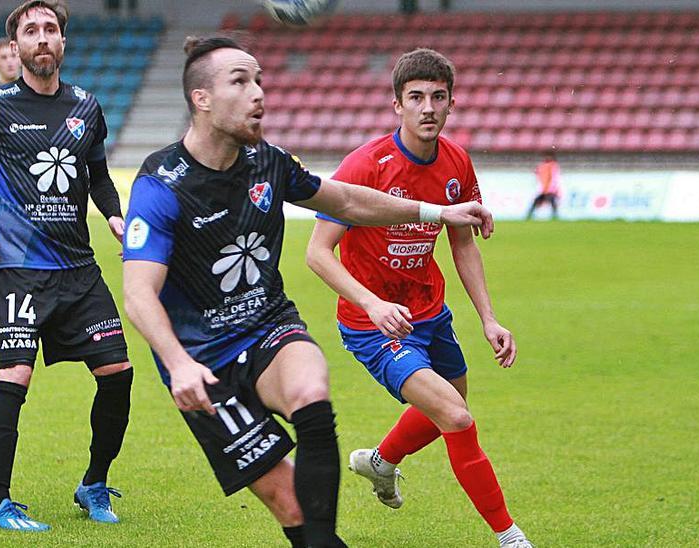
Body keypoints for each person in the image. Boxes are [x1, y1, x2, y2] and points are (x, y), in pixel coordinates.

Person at [120, 36, 494, 548]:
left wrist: (437, 211)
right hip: (200, 358)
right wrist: (177, 363)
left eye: (259, 81)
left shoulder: (268, 161)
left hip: (268, 325)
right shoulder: (161, 184)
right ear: (200, 99)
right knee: (288, 503)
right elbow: (139, 294)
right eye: (240, 81)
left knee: (311, 392)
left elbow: (346, 200)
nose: (258, 94)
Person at [305, 48, 532, 548]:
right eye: (416, 97)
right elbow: (318, 254)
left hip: (429, 310)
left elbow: (462, 241)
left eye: (438, 97)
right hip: (374, 323)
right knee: (455, 416)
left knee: (450, 403)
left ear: (451, 104)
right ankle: (510, 537)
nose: (428, 107)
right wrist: (372, 304)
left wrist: (489, 319)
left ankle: (381, 462)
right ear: (397, 106)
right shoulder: (366, 165)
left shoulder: (456, 161)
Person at [0, 0, 132, 532]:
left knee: (118, 373)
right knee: (15, 376)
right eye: (31, 30)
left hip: (78, 268)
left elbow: (96, 175)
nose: (42, 38)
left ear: (62, 43)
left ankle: (93, 483)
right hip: (17, 268)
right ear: (18, 46)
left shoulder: (87, 107)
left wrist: (114, 216)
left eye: (51, 29)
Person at [526, 151, 560, 221]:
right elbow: (537, 172)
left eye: (549, 156)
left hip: (551, 189)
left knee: (551, 202)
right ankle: (529, 215)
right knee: (537, 201)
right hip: (544, 189)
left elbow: (553, 177)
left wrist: (553, 188)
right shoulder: (543, 165)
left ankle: (555, 216)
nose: (548, 158)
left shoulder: (553, 165)